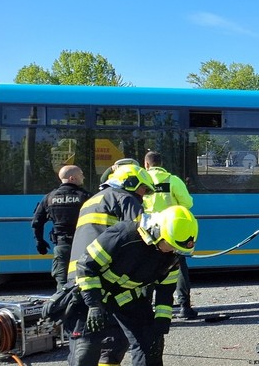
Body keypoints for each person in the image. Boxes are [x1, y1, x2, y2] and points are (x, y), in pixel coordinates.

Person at [68, 205, 197, 366]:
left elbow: (166, 289)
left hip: (126, 295)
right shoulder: (123, 235)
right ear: (156, 232)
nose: (172, 251)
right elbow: (86, 266)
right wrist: (94, 305)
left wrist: (162, 320)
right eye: (170, 245)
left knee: (151, 344)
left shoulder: (172, 255)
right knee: (85, 352)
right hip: (92, 293)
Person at [66, 163, 156, 366]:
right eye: (143, 188)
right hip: (105, 278)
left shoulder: (91, 200)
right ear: (131, 183)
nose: (144, 194)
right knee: (117, 338)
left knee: (85, 342)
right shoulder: (126, 198)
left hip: (77, 279)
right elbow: (142, 236)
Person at [143, 150, 197, 320]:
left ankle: (146, 308)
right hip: (170, 231)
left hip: (148, 232)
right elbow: (188, 203)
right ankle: (184, 307)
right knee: (179, 268)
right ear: (161, 164)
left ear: (146, 164)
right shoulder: (173, 180)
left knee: (147, 269)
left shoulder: (141, 181)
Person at [31, 165, 92, 291]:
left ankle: (63, 308)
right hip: (82, 246)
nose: (83, 177)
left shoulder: (49, 197)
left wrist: (39, 241)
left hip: (62, 245)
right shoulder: (86, 196)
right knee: (85, 280)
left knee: (63, 283)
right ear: (72, 178)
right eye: (81, 174)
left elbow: (37, 222)